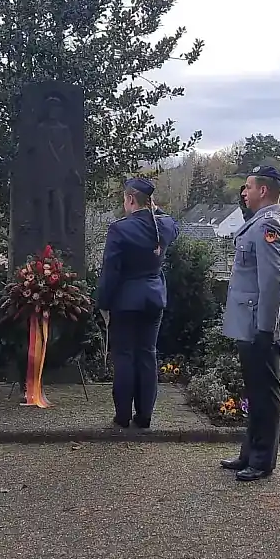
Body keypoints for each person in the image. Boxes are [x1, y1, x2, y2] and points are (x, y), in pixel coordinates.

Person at [217, 165, 280, 482]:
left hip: (258, 323)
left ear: (263, 190)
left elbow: (272, 281)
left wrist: (265, 329)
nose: (243, 193)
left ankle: (262, 460)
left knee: (264, 393)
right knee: (255, 390)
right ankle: (249, 452)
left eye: (248, 187)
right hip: (250, 322)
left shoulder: (270, 224)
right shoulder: (260, 222)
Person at [95, 176, 180, 429]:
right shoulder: (165, 226)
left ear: (130, 199)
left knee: (124, 356)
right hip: (154, 298)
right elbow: (168, 221)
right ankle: (144, 416)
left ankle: (122, 416)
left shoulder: (120, 229)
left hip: (125, 301)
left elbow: (110, 271)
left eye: (125, 199)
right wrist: (153, 207)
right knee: (147, 354)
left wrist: (103, 303)